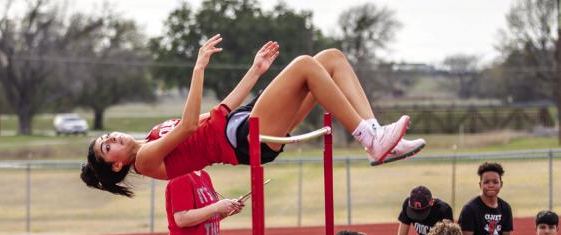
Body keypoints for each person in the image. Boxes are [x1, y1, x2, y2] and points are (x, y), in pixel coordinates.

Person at [81, 35, 426, 196]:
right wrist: (198, 68)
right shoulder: (144, 160)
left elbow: (219, 111)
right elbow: (188, 125)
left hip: (243, 120)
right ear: (115, 165)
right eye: (107, 147)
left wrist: (255, 71)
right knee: (306, 64)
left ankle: (376, 137)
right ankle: (370, 139)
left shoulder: (154, 131)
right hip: (245, 138)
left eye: (107, 136)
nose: (112, 139)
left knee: (330, 59)